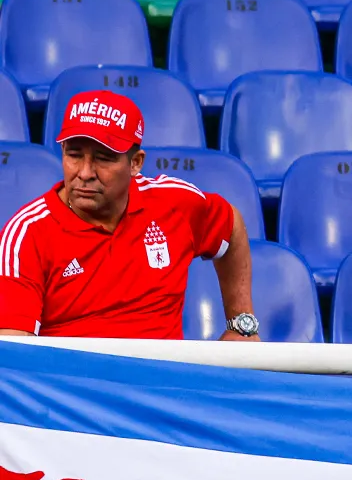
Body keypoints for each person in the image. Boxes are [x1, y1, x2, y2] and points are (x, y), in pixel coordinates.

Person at [0, 92, 258, 341]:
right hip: (74, 372)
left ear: (135, 163)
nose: (85, 173)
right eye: (74, 155)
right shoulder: (25, 235)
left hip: (163, 370)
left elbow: (231, 225)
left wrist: (241, 323)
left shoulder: (174, 203)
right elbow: (14, 350)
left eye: (103, 159)